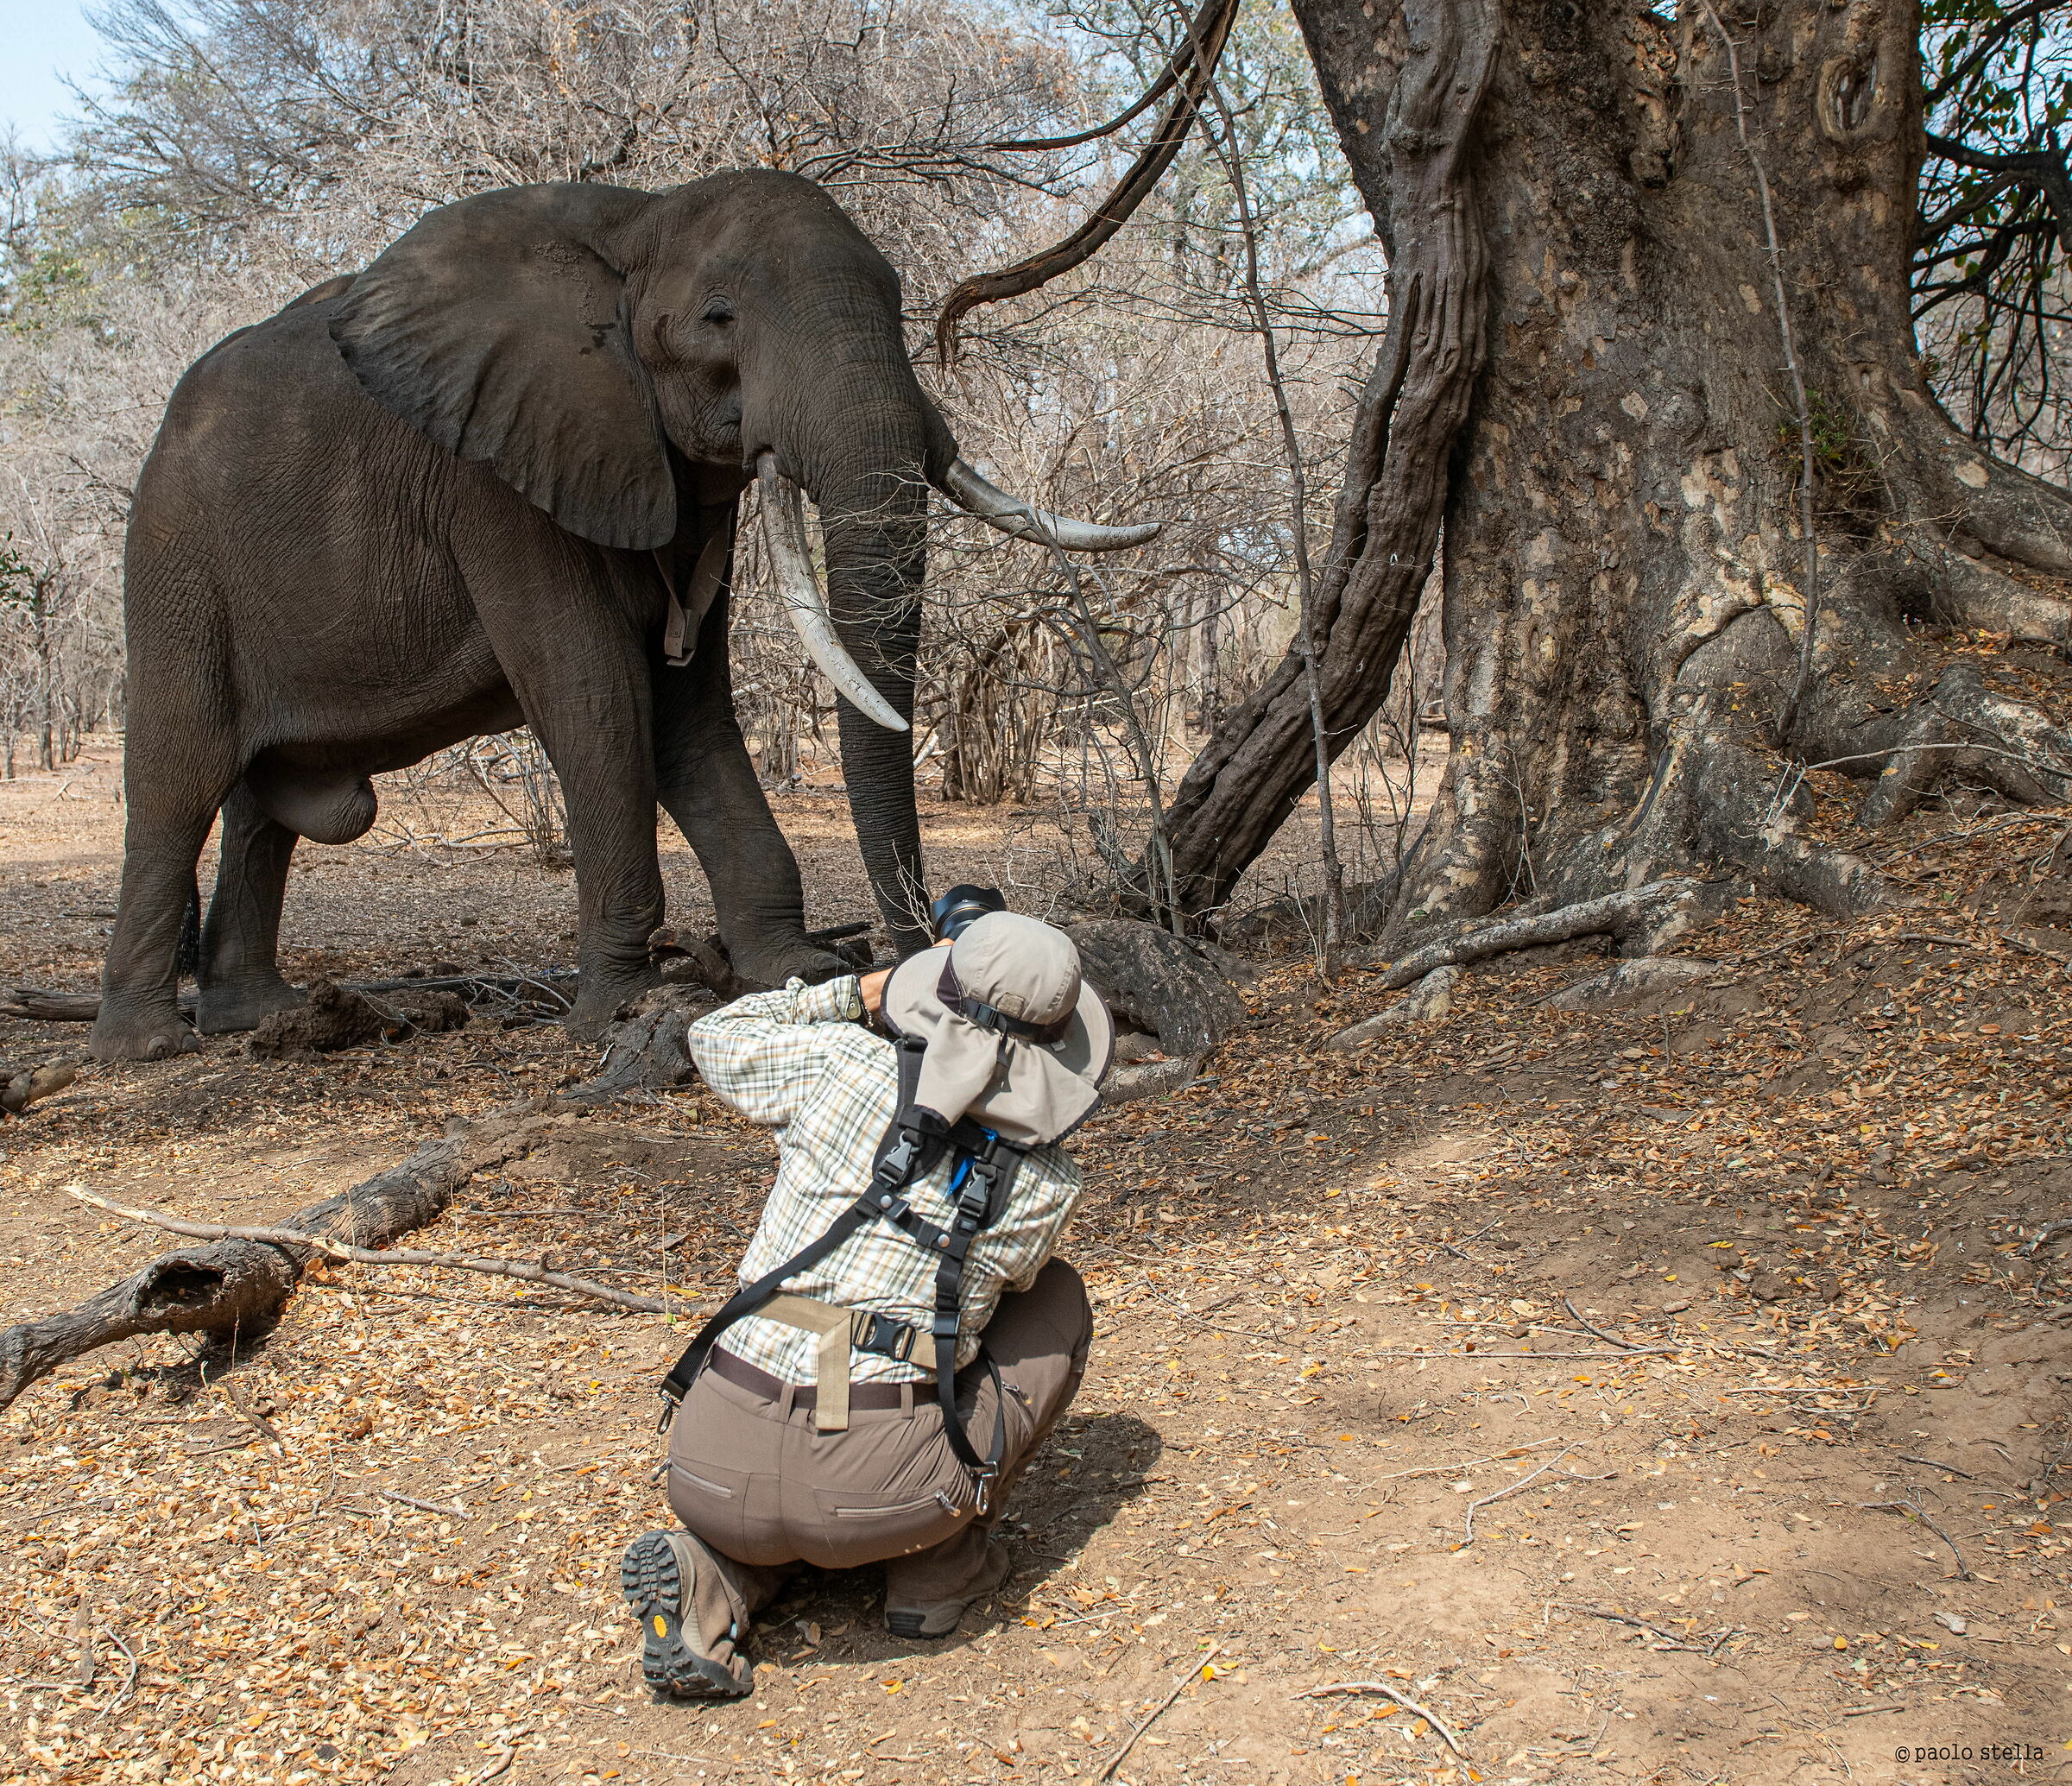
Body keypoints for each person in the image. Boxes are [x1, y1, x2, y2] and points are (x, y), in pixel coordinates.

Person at [620, 904, 1114, 1699]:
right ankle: (937, 1571)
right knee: (1053, 1298)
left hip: (712, 1454)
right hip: (883, 1488)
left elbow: (714, 1035)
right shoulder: (1049, 1183)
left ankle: (716, 1575)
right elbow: (985, 1316)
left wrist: (863, 991)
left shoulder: (837, 1065)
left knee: (768, 1496)